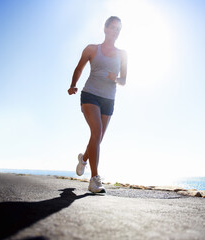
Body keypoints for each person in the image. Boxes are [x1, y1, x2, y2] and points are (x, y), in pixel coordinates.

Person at [68, 16, 127, 193]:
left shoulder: (123, 54)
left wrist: (114, 78)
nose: (115, 32)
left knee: (97, 138)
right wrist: (73, 85)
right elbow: (79, 68)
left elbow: (123, 80)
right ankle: (94, 179)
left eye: (119, 29)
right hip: (90, 95)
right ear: (105, 29)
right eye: (113, 28)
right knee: (97, 132)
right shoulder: (92, 49)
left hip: (108, 100)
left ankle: (84, 159)